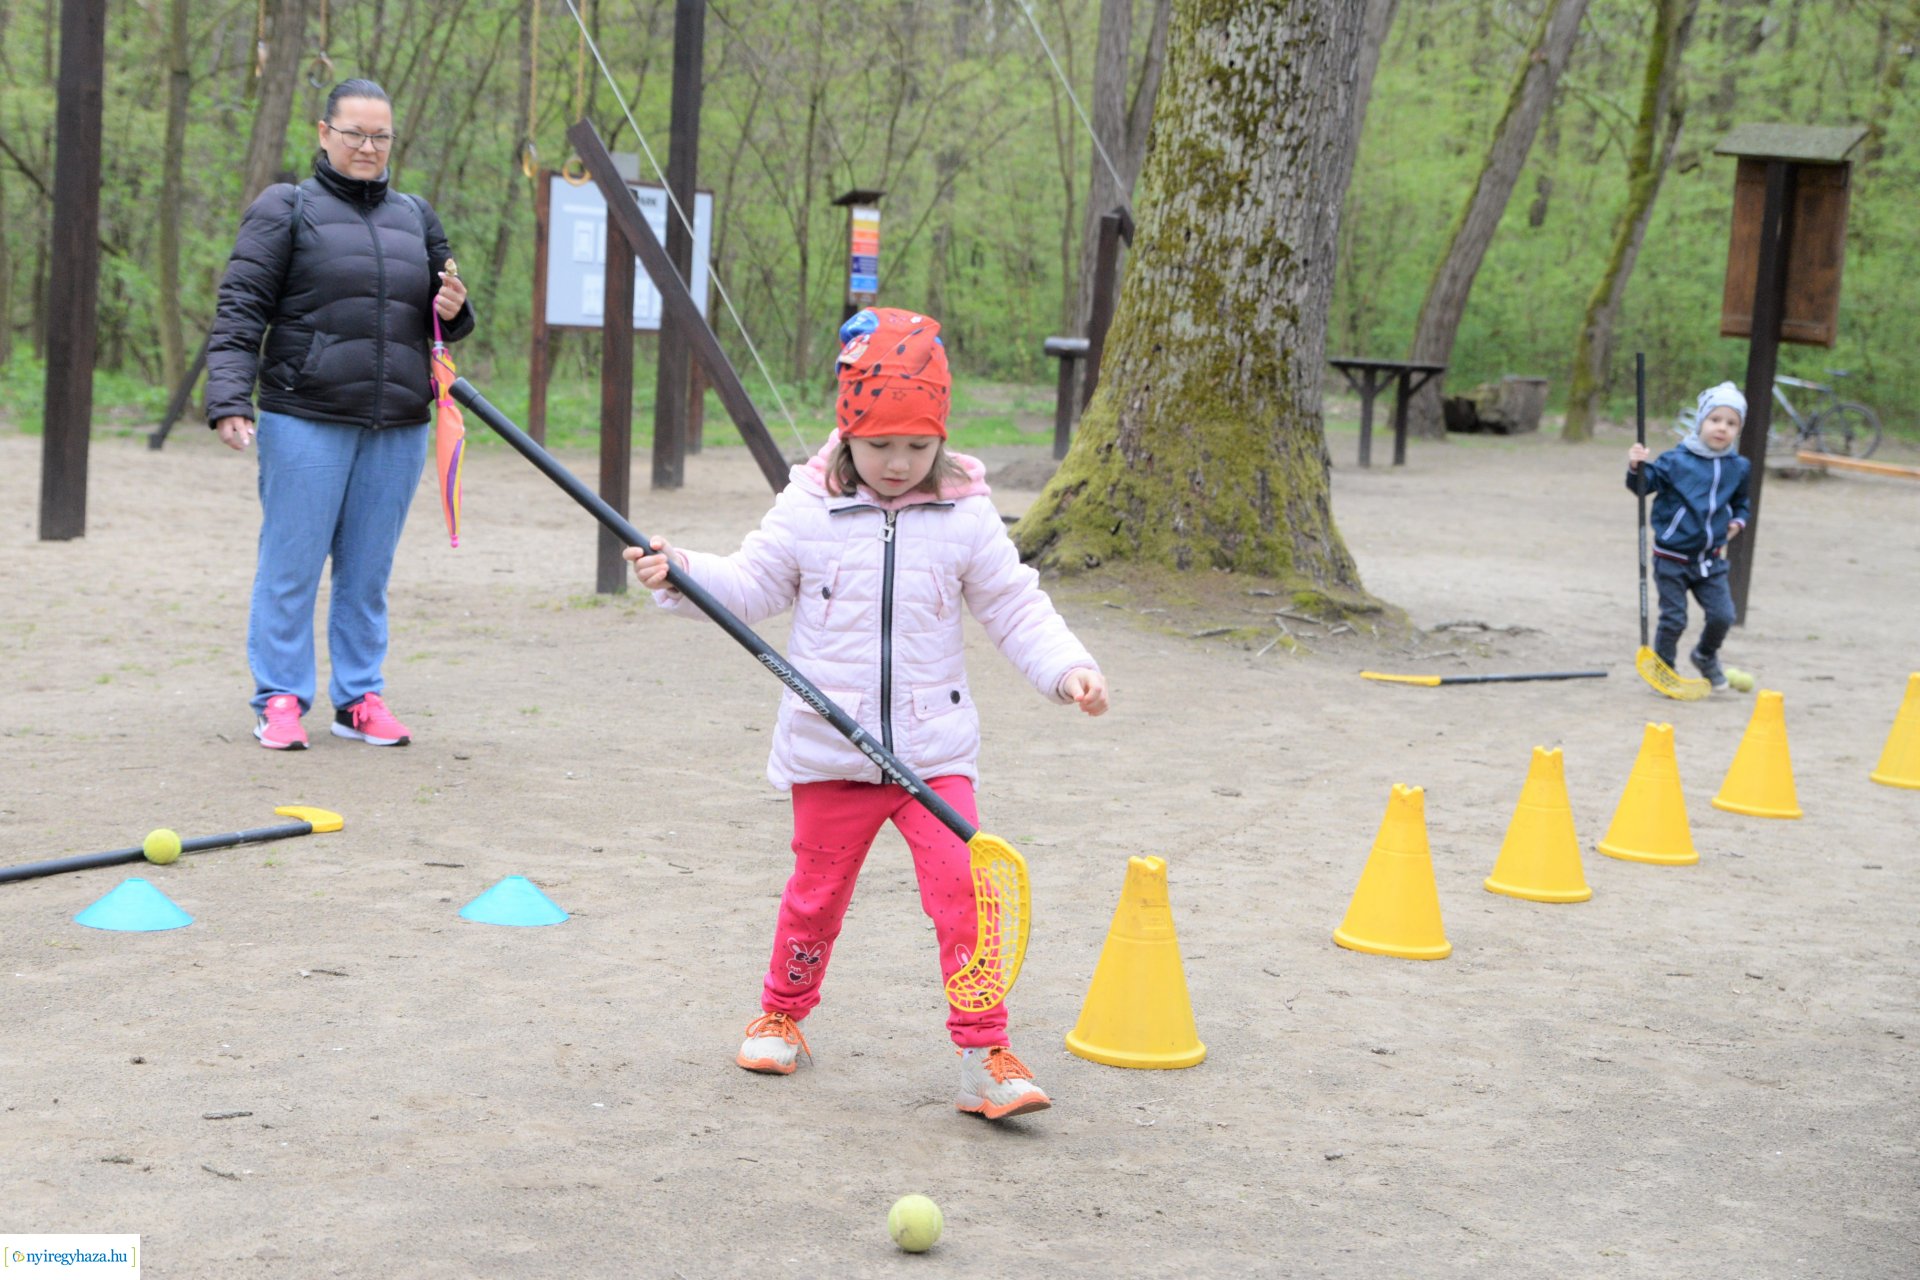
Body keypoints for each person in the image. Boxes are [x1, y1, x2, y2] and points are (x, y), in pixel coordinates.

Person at [625, 308, 1108, 1121]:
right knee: (816, 894)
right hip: (828, 747)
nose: (898, 463)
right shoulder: (809, 506)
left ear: (941, 438)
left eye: (917, 447)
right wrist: (679, 574)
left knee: (968, 890)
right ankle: (782, 1013)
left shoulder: (965, 514)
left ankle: (986, 1052)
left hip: (934, 752)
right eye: (880, 445)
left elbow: (1016, 609)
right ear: (847, 431)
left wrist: (1069, 669)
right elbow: (748, 585)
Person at [206, 78, 474, 750]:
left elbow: (449, 318)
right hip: (307, 415)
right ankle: (280, 698)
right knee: (291, 565)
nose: (367, 146)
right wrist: (229, 399)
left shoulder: (416, 216)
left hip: (399, 425)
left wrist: (454, 309)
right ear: (324, 133)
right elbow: (240, 309)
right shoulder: (284, 208)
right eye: (354, 132)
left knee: (367, 572)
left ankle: (358, 699)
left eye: (380, 135)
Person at [1626, 381, 1752, 691]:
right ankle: (1664, 669)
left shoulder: (1738, 467)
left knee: (1723, 615)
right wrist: (1636, 466)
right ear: (1701, 422)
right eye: (1715, 419)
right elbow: (1642, 487)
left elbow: (1742, 503)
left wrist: (1738, 520)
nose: (1722, 428)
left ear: (1738, 430)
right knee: (1674, 619)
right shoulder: (1676, 460)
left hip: (1710, 560)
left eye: (1731, 423)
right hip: (1672, 558)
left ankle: (1705, 656)